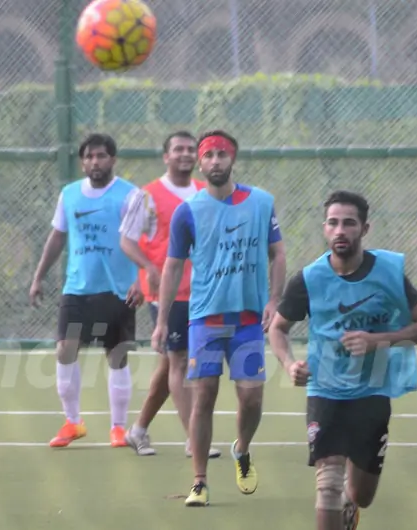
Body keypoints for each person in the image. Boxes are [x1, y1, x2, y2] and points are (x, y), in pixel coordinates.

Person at [269, 190, 417, 530]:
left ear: (365, 228)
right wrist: (289, 364)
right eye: (333, 223)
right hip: (325, 391)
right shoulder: (308, 279)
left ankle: (352, 505)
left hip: (372, 392)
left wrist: (378, 340)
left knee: (361, 495)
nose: (340, 230)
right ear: (324, 229)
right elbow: (277, 329)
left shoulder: (389, 272)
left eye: (349, 223)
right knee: (327, 486)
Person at [151, 129, 287, 507]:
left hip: (246, 322)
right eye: (207, 155)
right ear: (200, 162)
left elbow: (278, 253)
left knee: (252, 399)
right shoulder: (188, 211)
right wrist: (162, 320)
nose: (214, 161)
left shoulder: (260, 202)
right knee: (204, 397)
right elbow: (173, 267)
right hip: (205, 321)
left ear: (233, 159)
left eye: (221, 155)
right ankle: (199, 481)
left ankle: (241, 449)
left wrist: (274, 299)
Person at [29, 133, 144, 449]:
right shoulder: (69, 195)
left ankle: (118, 428)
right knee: (65, 349)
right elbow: (57, 237)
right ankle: (72, 422)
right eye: (90, 156)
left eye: (102, 156)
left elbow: (141, 242)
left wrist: (141, 280)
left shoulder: (131, 195)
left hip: (118, 290)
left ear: (113, 160)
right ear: (82, 161)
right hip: (78, 289)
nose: (95, 162)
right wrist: (38, 276)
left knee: (117, 356)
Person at [119, 130, 221, 459]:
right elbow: (127, 241)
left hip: (203, 292)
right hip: (167, 293)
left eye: (191, 150)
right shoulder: (146, 195)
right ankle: (195, 438)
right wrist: (147, 268)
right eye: (178, 149)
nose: (185, 154)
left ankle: (138, 430)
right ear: (166, 156)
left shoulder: (208, 193)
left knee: (168, 365)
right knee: (180, 360)